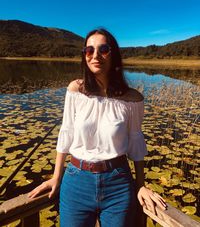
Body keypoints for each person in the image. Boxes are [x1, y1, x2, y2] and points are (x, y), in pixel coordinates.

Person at [28, 28, 167, 227]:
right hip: (76, 181)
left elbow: (136, 143)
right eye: (89, 50)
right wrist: (56, 177)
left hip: (118, 183)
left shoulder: (132, 99)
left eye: (103, 49)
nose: (95, 56)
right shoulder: (76, 90)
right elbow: (66, 132)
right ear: (84, 55)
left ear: (113, 54)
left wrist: (141, 186)